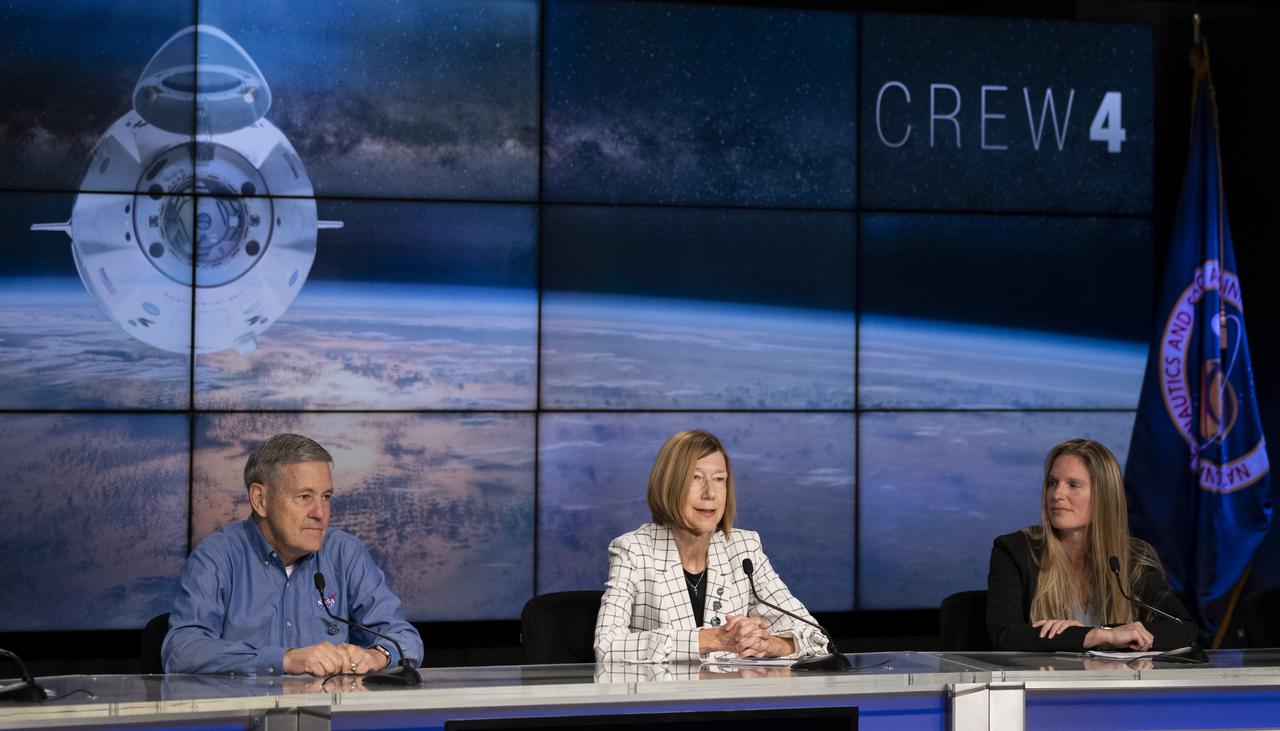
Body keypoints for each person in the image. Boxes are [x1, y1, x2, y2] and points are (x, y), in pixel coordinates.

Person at [163, 433, 423, 676]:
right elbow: (182, 651)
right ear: (260, 500)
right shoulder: (217, 556)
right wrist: (284, 660)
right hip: (242, 717)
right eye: (304, 496)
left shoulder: (345, 553)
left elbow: (405, 638)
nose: (320, 513)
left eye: (326, 496)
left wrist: (378, 656)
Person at [593, 429, 830, 663]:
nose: (710, 493)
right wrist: (709, 639)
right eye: (695, 478)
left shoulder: (742, 548)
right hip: (663, 698)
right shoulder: (634, 550)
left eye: (719, 480)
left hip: (732, 699)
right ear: (669, 485)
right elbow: (607, 645)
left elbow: (816, 637)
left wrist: (768, 644)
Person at [987, 438, 1197, 652]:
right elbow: (1005, 635)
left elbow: (1184, 630)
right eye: (1052, 483)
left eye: (1073, 485)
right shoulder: (1015, 551)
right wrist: (1094, 635)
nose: (1057, 495)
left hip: (1115, 682)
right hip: (1042, 682)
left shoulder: (1134, 557)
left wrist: (1109, 633)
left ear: (1103, 496)